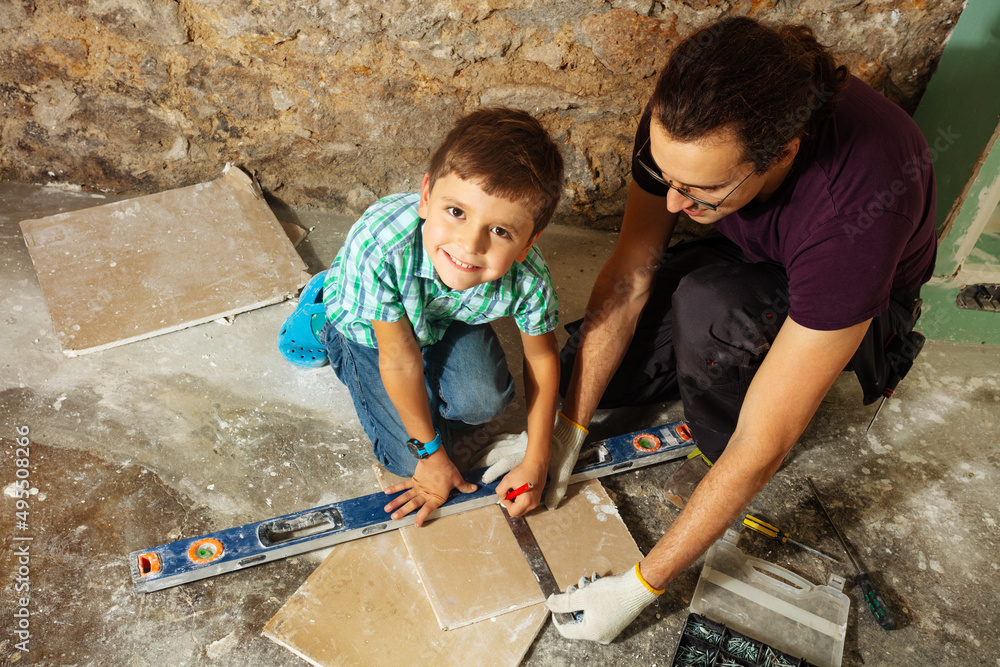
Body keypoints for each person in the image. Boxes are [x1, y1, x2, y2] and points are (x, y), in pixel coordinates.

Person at [544, 16, 936, 643]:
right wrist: (564, 431)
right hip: (753, 258)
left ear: (783, 152)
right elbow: (627, 277)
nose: (672, 204)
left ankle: (710, 445)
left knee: (710, 315)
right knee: (582, 375)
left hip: (857, 307)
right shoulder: (687, 119)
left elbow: (768, 436)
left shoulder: (852, 211)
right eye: (667, 179)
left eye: (698, 190)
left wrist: (641, 586)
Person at [289, 107, 566, 526]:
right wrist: (431, 454)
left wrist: (538, 457)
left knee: (485, 404)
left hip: (441, 317)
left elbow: (543, 359)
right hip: (371, 327)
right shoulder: (381, 246)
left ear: (529, 242)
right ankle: (324, 306)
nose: (470, 244)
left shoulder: (529, 278)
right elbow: (399, 359)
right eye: (456, 212)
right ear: (425, 196)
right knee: (406, 457)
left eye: (501, 231)